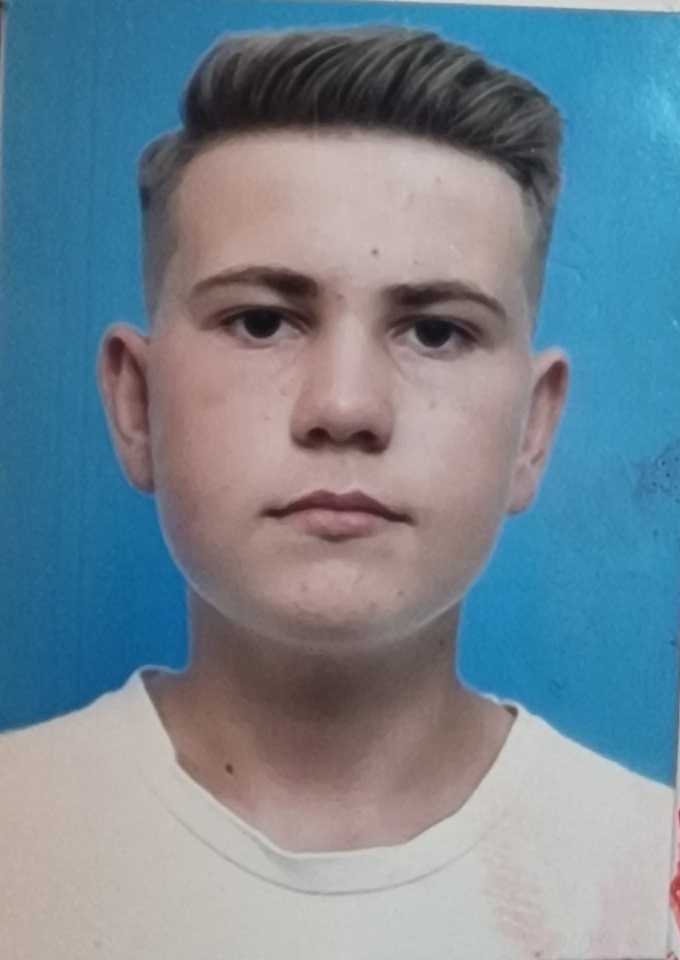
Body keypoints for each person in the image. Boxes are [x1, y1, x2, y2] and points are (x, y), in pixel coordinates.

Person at [0, 25, 673, 960]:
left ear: (533, 429)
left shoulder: (648, 883)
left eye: (435, 332)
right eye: (262, 321)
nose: (346, 407)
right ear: (136, 404)